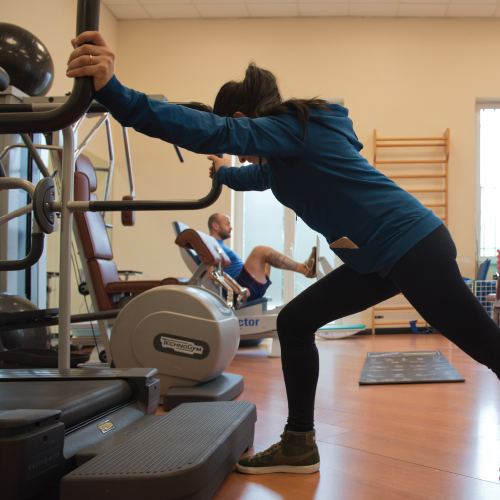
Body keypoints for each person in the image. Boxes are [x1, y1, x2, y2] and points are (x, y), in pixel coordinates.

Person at [67, 33, 500, 477]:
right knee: (295, 322)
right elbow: (249, 178)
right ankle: (298, 445)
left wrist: (116, 94)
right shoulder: (285, 159)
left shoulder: (290, 131)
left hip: (413, 246)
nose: (242, 152)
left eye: (238, 137)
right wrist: (224, 171)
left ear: (241, 119)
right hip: (382, 257)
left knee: (488, 346)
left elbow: (213, 131)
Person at [207, 212, 316, 300]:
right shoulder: (210, 244)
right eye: (227, 224)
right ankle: (306, 269)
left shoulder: (219, 245)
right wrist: (237, 289)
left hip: (247, 285)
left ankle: (306, 269)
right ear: (215, 226)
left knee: (267, 255)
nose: (231, 227)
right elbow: (211, 273)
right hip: (243, 288)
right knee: (260, 251)